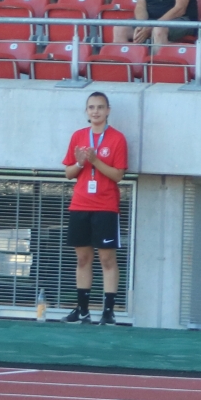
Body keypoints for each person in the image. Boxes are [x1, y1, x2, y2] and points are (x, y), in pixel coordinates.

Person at [61, 91, 129, 327]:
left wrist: (95, 161)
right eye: (91, 107)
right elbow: (69, 173)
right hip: (80, 204)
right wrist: (81, 162)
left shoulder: (117, 139)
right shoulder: (78, 136)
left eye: (100, 107)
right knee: (82, 258)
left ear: (108, 110)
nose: (96, 111)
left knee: (107, 259)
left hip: (106, 206)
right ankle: (82, 310)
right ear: (86, 111)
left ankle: (108, 312)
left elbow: (118, 175)